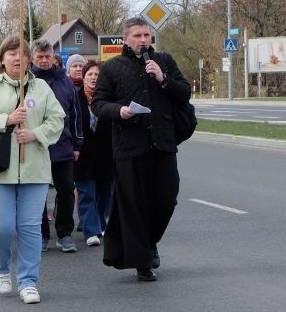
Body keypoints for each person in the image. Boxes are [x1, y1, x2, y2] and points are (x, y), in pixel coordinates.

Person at [91, 17, 190, 282]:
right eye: (137, 35)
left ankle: (150, 241)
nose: (143, 40)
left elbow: (184, 93)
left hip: (163, 143)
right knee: (134, 206)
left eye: (147, 35)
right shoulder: (113, 67)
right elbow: (98, 103)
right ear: (125, 39)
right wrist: (119, 111)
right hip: (129, 147)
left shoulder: (164, 61)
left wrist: (163, 79)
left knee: (166, 199)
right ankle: (143, 261)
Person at [0, 35, 64, 305]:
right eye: (11, 53)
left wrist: (35, 134)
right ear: (2, 59)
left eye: (22, 53)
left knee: (30, 227)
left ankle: (28, 281)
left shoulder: (41, 87)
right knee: (0, 227)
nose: (17, 58)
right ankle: (1, 267)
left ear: (29, 58)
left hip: (34, 168)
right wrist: (6, 120)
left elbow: (57, 120)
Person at [30, 40, 83, 253]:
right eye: (39, 57)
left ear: (54, 57)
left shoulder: (64, 82)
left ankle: (64, 233)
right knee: (38, 193)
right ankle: (41, 234)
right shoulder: (27, 82)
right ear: (32, 58)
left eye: (47, 56)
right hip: (36, 145)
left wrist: (78, 144)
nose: (43, 61)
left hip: (63, 145)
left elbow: (76, 114)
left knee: (66, 191)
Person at [73, 61, 113, 246]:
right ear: (83, 76)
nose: (94, 77)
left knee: (105, 193)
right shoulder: (76, 97)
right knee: (86, 192)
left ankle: (101, 223)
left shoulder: (108, 98)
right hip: (83, 153)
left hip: (106, 153)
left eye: (97, 74)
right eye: (90, 74)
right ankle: (91, 230)